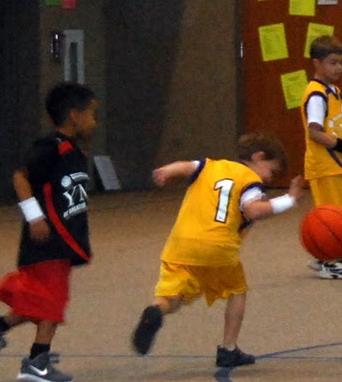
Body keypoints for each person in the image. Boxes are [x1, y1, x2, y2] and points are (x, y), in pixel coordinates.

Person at [130, 131, 305, 367]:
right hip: (218, 247)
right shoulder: (249, 180)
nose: (269, 179)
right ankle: (228, 349)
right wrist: (289, 199)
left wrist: (167, 171)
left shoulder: (211, 166)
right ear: (258, 157)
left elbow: (186, 167)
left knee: (173, 296)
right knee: (237, 291)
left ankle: (156, 311)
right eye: (271, 171)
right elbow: (253, 210)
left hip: (180, 244)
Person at [0, 83, 98, 382]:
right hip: (48, 240)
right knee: (52, 301)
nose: (94, 122)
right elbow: (20, 176)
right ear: (74, 115)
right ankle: (37, 362)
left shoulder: (74, 151)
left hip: (62, 240)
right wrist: (34, 216)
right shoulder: (51, 146)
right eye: (91, 114)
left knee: (42, 299)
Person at [302, 36, 342, 279]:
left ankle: (324, 253)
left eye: (340, 63)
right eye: (332, 63)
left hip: (336, 165)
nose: (338, 68)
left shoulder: (333, 91)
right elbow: (315, 132)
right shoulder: (317, 95)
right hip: (324, 166)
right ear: (317, 63)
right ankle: (331, 261)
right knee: (332, 216)